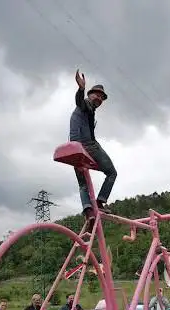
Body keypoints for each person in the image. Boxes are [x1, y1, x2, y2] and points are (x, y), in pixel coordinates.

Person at [70, 69, 117, 229]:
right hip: (87, 145)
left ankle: (89, 212)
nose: (99, 98)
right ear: (90, 95)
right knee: (112, 173)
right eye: (96, 94)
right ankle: (100, 201)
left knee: (83, 184)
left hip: (74, 149)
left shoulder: (86, 112)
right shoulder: (86, 106)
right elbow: (80, 101)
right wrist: (81, 89)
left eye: (102, 97)